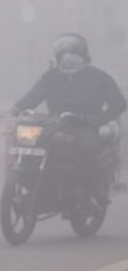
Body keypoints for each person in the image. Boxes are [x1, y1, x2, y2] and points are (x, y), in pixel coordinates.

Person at [12, 33, 126, 184]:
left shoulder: (99, 77)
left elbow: (119, 103)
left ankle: (86, 191)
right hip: (53, 124)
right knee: (27, 140)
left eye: (72, 52)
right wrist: (18, 106)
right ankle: (32, 183)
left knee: (87, 148)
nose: (67, 57)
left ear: (83, 55)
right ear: (57, 56)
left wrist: (98, 119)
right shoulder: (51, 76)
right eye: (63, 53)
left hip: (85, 126)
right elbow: (34, 95)